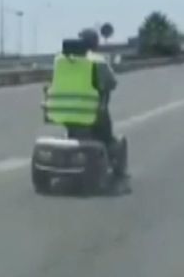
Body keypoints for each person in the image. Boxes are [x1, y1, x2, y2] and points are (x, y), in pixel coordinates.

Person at [43, 29, 125, 176]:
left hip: (61, 111)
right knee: (107, 136)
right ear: (95, 44)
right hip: (92, 113)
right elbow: (112, 83)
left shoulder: (60, 61)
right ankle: (114, 165)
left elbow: (53, 83)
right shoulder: (97, 61)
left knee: (72, 129)